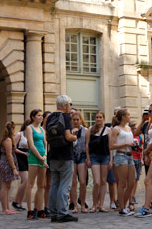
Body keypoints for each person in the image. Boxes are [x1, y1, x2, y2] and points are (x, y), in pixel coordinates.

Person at [47, 95, 78, 223]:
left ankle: (53, 213)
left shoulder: (49, 118)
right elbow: (68, 136)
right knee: (64, 185)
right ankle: (62, 214)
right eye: (70, 104)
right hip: (65, 155)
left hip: (53, 154)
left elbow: (47, 135)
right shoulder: (65, 117)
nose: (70, 106)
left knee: (54, 184)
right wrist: (75, 137)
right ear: (66, 105)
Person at [110, 109, 136, 216]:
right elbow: (111, 145)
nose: (130, 116)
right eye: (128, 115)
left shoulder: (129, 128)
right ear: (123, 117)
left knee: (131, 183)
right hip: (121, 156)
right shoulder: (116, 129)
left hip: (130, 156)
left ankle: (124, 206)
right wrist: (125, 143)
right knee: (122, 183)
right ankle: (121, 207)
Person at [86, 111, 112, 213]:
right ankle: (94, 205)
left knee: (103, 181)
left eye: (100, 117)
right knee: (96, 182)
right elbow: (87, 145)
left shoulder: (108, 130)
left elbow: (110, 146)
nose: (98, 119)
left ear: (103, 118)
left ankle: (101, 205)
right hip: (94, 157)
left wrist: (111, 160)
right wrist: (88, 158)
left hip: (105, 157)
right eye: (97, 117)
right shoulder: (90, 130)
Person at [25, 109, 49, 220]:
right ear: (33, 117)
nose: (41, 117)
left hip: (42, 158)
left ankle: (40, 209)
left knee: (42, 185)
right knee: (30, 184)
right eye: (38, 115)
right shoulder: (29, 128)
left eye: (41, 116)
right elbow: (31, 144)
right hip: (34, 158)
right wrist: (40, 157)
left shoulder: (42, 129)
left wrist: (44, 156)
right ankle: (30, 210)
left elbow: (45, 144)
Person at [0, 121, 20, 215]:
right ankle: (4, 209)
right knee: (5, 186)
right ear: (13, 129)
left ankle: (7, 208)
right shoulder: (8, 140)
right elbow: (9, 154)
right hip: (6, 164)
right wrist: (14, 168)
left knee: (7, 186)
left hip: (6, 163)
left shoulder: (7, 139)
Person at [70, 111, 89, 213]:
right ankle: (74, 206)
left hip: (82, 155)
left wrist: (88, 158)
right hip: (72, 156)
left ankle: (82, 204)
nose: (76, 121)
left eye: (77, 119)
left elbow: (87, 145)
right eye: (74, 120)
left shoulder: (86, 130)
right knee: (73, 182)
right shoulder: (68, 131)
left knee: (82, 181)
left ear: (81, 120)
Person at [12, 119, 31, 211]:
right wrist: (24, 153)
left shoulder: (31, 135)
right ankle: (15, 201)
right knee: (26, 180)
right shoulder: (20, 134)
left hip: (29, 158)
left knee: (25, 182)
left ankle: (19, 203)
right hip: (20, 158)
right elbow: (13, 148)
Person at [130, 121, 143, 206]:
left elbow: (141, 147)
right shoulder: (129, 136)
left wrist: (142, 159)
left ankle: (133, 195)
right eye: (133, 128)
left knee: (136, 179)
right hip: (132, 158)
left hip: (138, 158)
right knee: (132, 178)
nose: (135, 130)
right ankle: (130, 196)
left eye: (136, 128)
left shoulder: (139, 137)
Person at [42, 111, 52, 216]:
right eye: (47, 117)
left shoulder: (51, 131)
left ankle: (47, 207)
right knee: (42, 184)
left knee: (49, 184)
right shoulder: (41, 130)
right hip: (41, 157)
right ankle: (40, 207)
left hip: (50, 158)